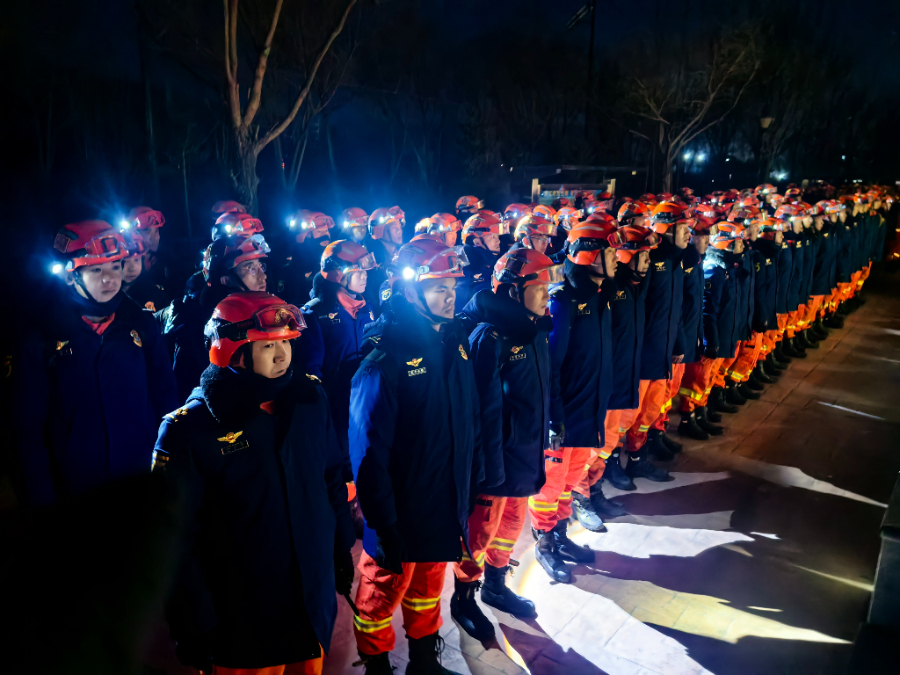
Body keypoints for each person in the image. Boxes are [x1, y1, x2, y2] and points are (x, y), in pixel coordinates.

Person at [154, 291, 355, 675]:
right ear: (231, 351)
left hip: (309, 601)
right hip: (242, 615)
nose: (282, 356)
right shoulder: (190, 430)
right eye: (267, 346)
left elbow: (329, 476)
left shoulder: (309, 400)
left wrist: (340, 546)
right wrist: (191, 622)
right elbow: (174, 538)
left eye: (286, 343)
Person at [349, 238, 481, 675]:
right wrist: (383, 523)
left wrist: (471, 482)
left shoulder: (456, 342)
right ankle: (377, 666)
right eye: (439, 288)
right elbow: (369, 455)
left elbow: (470, 419)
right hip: (400, 512)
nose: (451, 296)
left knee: (428, 585)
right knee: (380, 592)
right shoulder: (384, 359)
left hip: (441, 501)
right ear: (410, 292)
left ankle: (424, 660)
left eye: (453, 287)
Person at [10, 220, 177, 506]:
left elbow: (166, 397)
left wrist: (170, 471)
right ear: (70, 276)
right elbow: (28, 429)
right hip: (77, 492)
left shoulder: (141, 324)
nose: (110, 279)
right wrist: (43, 500)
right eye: (96, 270)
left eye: (115, 266)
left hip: (141, 481)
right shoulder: (43, 338)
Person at [451, 248, 558, 639]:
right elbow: (481, 412)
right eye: (539, 287)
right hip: (496, 464)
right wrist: (488, 470)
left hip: (523, 454)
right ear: (514, 290)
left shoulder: (534, 329)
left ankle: (495, 585)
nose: (547, 295)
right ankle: (464, 597)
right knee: (478, 534)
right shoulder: (490, 337)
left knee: (511, 525)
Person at [528, 219, 620, 582]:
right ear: (589, 255)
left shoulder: (599, 295)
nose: (616, 258)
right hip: (564, 416)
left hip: (587, 411)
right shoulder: (562, 299)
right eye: (610, 252)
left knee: (569, 481)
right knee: (550, 486)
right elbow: (551, 365)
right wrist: (554, 419)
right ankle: (544, 543)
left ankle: (560, 534)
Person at [574, 225, 657, 500]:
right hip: (606, 384)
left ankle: (595, 489)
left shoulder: (633, 286)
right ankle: (582, 496)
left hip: (624, 378)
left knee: (610, 440)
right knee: (593, 447)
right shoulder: (606, 290)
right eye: (643, 255)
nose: (649, 262)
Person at [296, 240, 376, 486]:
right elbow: (311, 372)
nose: (365, 276)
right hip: (337, 407)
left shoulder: (367, 308)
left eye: (365, 271)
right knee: (344, 469)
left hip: (367, 402)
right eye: (358, 271)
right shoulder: (314, 314)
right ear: (338, 273)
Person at [618, 202, 689, 480]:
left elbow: (675, 308)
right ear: (666, 229)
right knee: (627, 415)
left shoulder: (674, 261)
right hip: (642, 354)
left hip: (663, 351)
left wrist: (678, 342)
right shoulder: (649, 260)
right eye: (683, 228)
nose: (688, 234)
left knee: (650, 412)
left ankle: (638, 458)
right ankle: (612, 465)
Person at [162, 231, 271, 403]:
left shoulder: (265, 310)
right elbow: (189, 388)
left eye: (261, 266)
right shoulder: (194, 329)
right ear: (225, 279)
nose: (262, 276)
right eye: (250, 268)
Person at [676, 216, 724, 439]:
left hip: (693, 332)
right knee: (688, 382)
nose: (706, 240)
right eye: (701, 235)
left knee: (698, 380)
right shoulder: (688, 263)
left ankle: (697, 414)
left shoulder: (698, 262)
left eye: (707, 236)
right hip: (684, 335)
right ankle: (687, 419)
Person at [278, 210, 333, 307]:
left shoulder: (330, 252)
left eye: (326, 230)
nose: (324, 235)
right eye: (319, 231)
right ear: (307, 235)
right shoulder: (299, 261)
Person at [454, 212, 508, 312]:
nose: (498, 241)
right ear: (476, 242)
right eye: (493, 237)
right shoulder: (461, 266)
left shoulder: (487, 261)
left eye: (497, 237)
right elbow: (459, 308)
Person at [362, 206, 405, 315]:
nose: (399, 231)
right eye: (394, 227)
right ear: (380, 231)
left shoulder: (403, 254)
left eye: (400, 226)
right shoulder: (369, 261)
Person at [119, 227, 168, 312]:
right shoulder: (106, 295)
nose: (132, 268)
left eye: (136, 260)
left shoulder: (153, 294)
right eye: (126, 262)